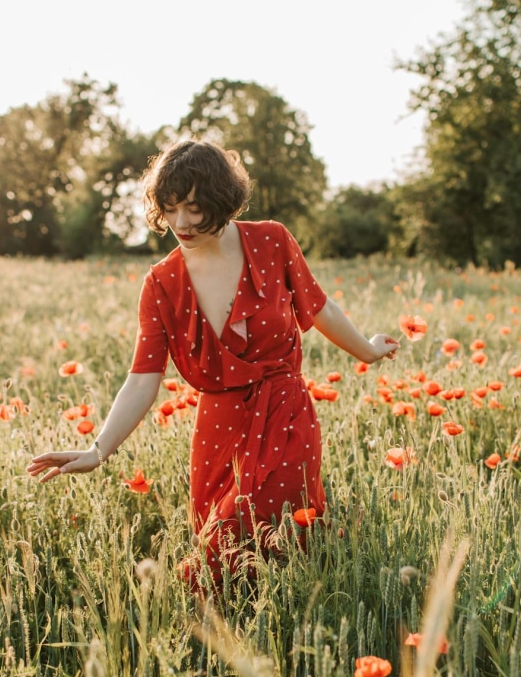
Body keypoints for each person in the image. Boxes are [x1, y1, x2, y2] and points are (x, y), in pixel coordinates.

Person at [27, 140, 399, 588]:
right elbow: (142, 379)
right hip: (218, 430)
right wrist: (97, 450)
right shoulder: (162, 284)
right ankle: (232, 643)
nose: (180, 223)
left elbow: (320, 308)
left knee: (267, 527)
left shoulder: (272, 241)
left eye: (193, 208)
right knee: (224, 556)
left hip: (285, 411)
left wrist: (368, 350)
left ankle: (275, 625)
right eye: (169, 208)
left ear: (222, 200)